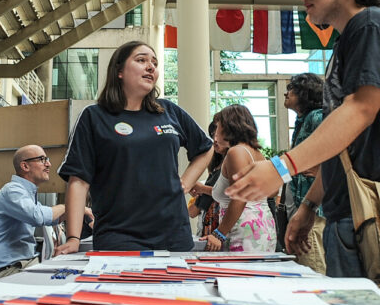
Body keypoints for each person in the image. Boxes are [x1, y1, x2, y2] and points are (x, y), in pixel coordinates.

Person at [225, 0, 380, 279]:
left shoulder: (371, 25)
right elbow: (343, 138)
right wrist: (308, 206)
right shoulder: (349, 39)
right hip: (353, 209)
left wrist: (281, 167)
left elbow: (361, 110)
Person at [56, 41, 213, 253]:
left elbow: (205, 148)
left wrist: (184, 184)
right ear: (119, 71)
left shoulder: (168, 112)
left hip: (173, 235)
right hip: (118, 238)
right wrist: (73, 237)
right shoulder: (94, 117)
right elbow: (78, 181)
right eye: (141, 60)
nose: (151, 67)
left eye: (154, 63)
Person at [0, 145, 80, 278]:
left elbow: (53, 218)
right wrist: (67, 206)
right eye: (42, 159)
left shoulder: (26, 192)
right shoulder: (12, 191)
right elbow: (38, 217)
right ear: (25, 166)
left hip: (26, 264)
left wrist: (81, 210)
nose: (48, 164)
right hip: (11, 270)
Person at [202, 105, 276, 252]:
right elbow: (272, 192)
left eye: (217, 127)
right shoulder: (257, 153)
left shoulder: (236, 152)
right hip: (262, 227)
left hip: (244, 231)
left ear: (228, 126)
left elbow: (239, 198)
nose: (215, 133)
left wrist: (219, 234)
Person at [282, 73, 326, 274]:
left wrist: (321, 170)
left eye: (291, 89)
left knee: (313, 270)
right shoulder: (303, 120)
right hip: (304, 207)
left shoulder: (317, 116)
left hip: (315, 212)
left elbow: (334, 149)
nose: (286, 92)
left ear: (305, 93)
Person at [189, 121, 224, 237]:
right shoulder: (217, 165)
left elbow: (229, 194)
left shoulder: (233, 158)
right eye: (213, 134)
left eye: (219, 133)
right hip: (214, 227)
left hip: (223, 228)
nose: (215, 139)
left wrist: (202, 189)